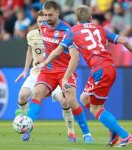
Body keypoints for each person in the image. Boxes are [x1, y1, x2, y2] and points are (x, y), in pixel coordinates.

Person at [38, 4, 132, 147]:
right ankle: (114, 134)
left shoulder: (73, 31)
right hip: (110, 67)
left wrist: (44, 63)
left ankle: (125, 136)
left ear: (76, 19)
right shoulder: (100, 29)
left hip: (99, 69)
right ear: (90, 18)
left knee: (96, 109)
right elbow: (125, 40)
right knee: (84, 98)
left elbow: (57, 51)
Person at [23, 1, 93, 143]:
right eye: (45, 14)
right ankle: (27, 127)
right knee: (37, 93)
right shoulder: (43, 27)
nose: (47, 18)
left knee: (71, 100)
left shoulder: (68, 31)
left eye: (50, 15)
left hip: (65, 71)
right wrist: (42, 59)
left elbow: (75, 57)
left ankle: (86, 134)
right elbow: (49, 50)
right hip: (48, 70)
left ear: (58, 13)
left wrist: (66, 77)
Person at [15, 10, 77, 142]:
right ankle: (26, 125)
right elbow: (29, 50)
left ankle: (71, 132)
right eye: (39, 21)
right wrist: (25, 69)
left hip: (55, 72)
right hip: (36, 73)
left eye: (44, 21)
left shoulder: (57, 34)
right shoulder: (31, 35)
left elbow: (60, 52)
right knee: (21, 96)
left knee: (65, 101)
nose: (42, 24)